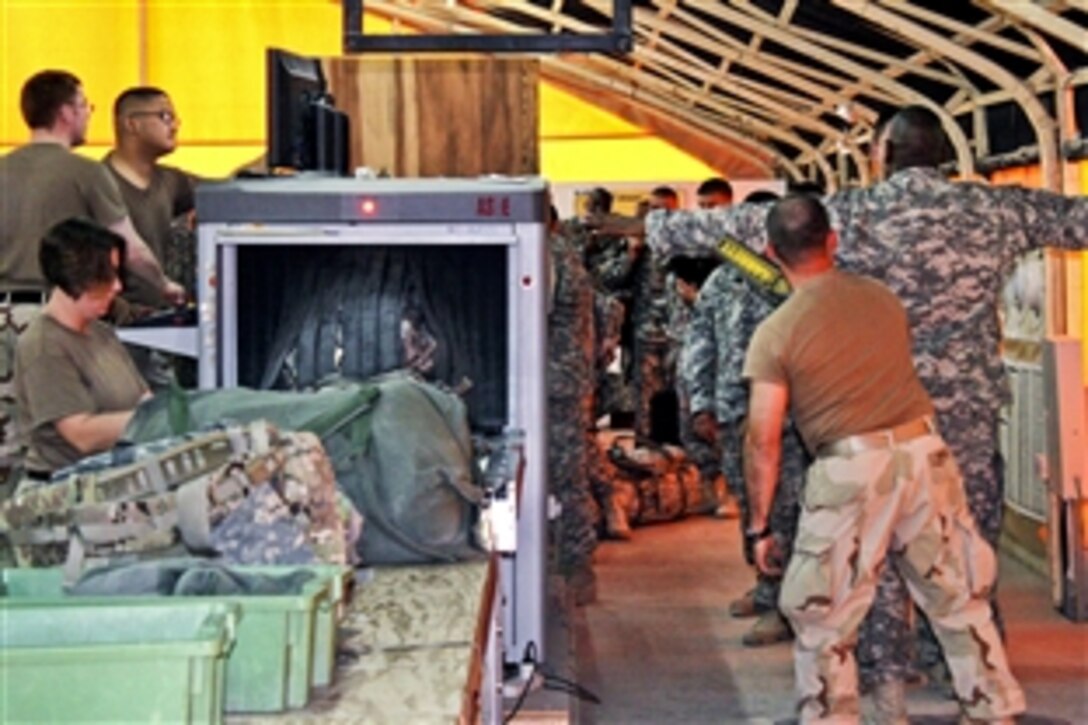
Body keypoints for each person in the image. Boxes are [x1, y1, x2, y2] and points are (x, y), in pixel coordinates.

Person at [624, 104, 1088, 691]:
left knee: (877, 547)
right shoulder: (998, 208)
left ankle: (888, 673)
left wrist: (658, 228)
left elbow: (748, 227)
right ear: (942, 154)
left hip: (876, 409)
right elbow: (1078, 221)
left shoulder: (858, 212)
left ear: (883, 155)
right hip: (967, 414)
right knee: (965, 545)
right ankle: (966, 668)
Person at [743, 195, 1024, 724]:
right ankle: (992, 709)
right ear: (833, 241)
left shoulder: (775, 334)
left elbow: (763, 439)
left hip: (850, 468)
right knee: (957, 595)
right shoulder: (881, 298)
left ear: (770, 252)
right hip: (924, 455)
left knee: (824, 615)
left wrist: (759, 526)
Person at [0, 70, 179, 488]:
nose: (88, 116)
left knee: (9, 448)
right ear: (66, 112)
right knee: (57, 443)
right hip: (55, 315)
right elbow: (130, 248)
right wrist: (166, 287)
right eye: (86, 107)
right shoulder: (86, 173)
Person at [682, 190, 805, 647]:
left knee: (784, 508)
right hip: (735, 410)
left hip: (787, 417)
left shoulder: (792, 280)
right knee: (751, 506)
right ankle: (765, 583)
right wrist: (701, 402)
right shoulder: (721, 280)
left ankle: (784, 605)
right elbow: (701, 341)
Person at [14, 219, 150, 480]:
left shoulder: (102, 333)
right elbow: (81, 434)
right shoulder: (44, 346)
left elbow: (141, 396)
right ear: (77, 280)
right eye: (106, 276)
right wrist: (152, 419)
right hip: (67, 486)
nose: (117, 286)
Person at [105, 86, 198, 388]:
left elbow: (223, 193)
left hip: (158, 327)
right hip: (111, 328)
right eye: (165, 115)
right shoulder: (97, 182)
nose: (174, 125)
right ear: (132, 123)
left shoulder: (171, 181)